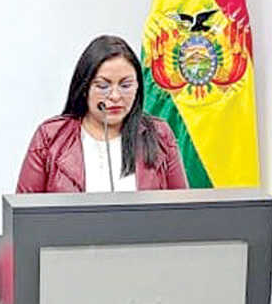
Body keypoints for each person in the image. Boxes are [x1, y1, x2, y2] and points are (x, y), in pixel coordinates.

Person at [16, 35, 188, 193]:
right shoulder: (50, 138)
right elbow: (24, 212)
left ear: (138, 87)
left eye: (125, 85)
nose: (115, 96)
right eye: (103, 86)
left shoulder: (160, 135)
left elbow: (182, 210)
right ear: (85, 88)